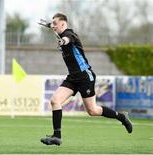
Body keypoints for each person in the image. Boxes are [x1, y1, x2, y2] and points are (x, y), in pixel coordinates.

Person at [40, 13, 133, 146]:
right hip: (72, 77)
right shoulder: (60, 32)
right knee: (55, 100)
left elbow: (68, 38)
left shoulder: (70, 34)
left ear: (63, 24)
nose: (53, 25)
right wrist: (49, 25)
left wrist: (63, 41)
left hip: (84, 76)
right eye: (52, 23)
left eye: (55, 23)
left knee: (93, 111)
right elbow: (58, 32)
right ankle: (57, 136)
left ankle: (122, 117)